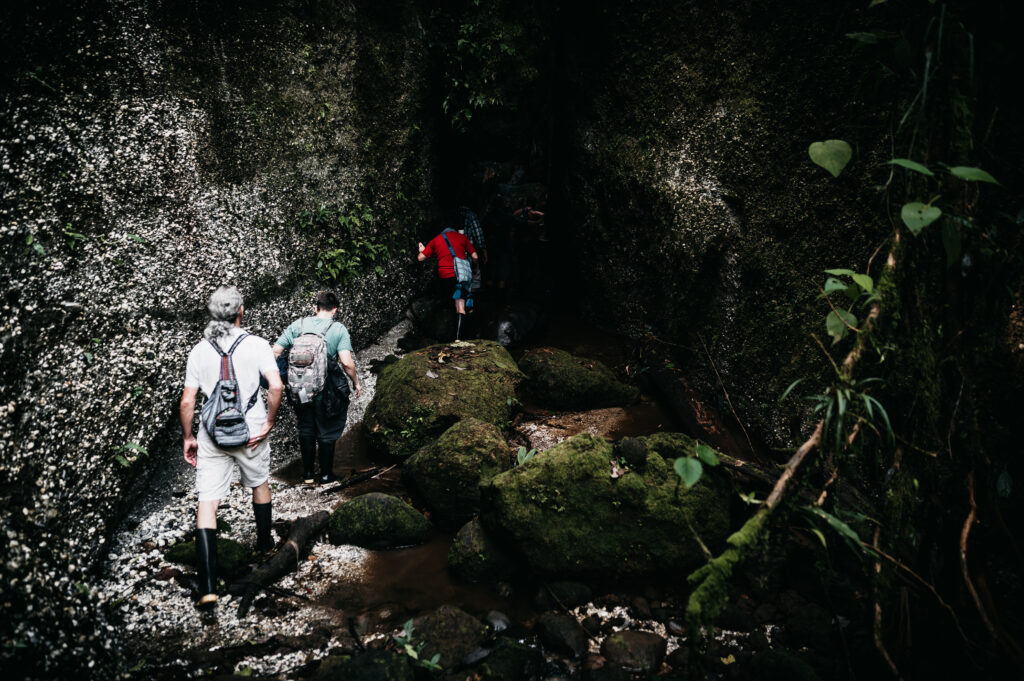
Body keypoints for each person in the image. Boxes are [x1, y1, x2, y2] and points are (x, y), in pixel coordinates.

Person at [180, 286, 283, 608]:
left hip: (212, 434)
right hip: (250, 431)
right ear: (241, 311)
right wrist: (268, 422)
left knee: (208, 502)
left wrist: (188, 437)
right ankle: (265, 544)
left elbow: (188, 400)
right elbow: (276, 385)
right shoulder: (256, 344)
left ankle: (208, 586)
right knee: (258, 482)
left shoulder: (199, 350)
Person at [273, 290, 362, 485]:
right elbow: (347, 363)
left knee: (306, 427)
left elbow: (275, 352)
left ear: (315, 307)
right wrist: (356, 382)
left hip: (299, 388)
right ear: (335, 310)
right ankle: (325, 475)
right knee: (326, 429)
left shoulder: (299, 325)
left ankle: (307, 476)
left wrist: (280, 379)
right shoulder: (338, 329)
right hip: (325, 390)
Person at [418, 224, 479, 338]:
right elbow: (475, 256)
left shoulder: (436, 239)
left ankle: (441, 335)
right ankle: (458, 338)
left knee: (445, 303)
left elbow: (420, 258)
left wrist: (422, 249)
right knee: (460, 306)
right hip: (459, 277)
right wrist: (473, 266)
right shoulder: (462, 238)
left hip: (444, 277)